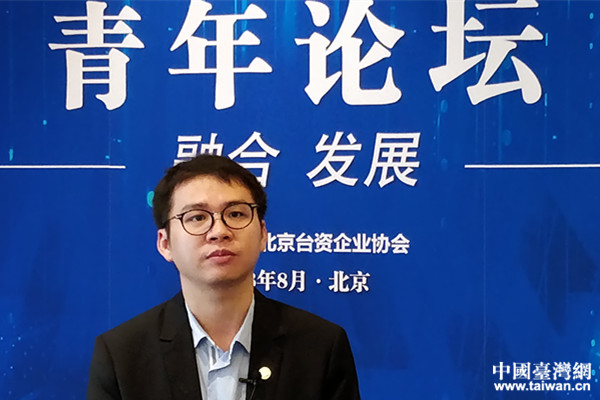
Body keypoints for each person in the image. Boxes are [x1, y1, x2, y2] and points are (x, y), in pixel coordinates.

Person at [87, 154, 361, 400]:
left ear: (263, 234)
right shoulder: (122, 355)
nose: (219, 231)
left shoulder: (320, 346)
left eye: (236, 214)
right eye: (197, 217)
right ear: (165, 243)